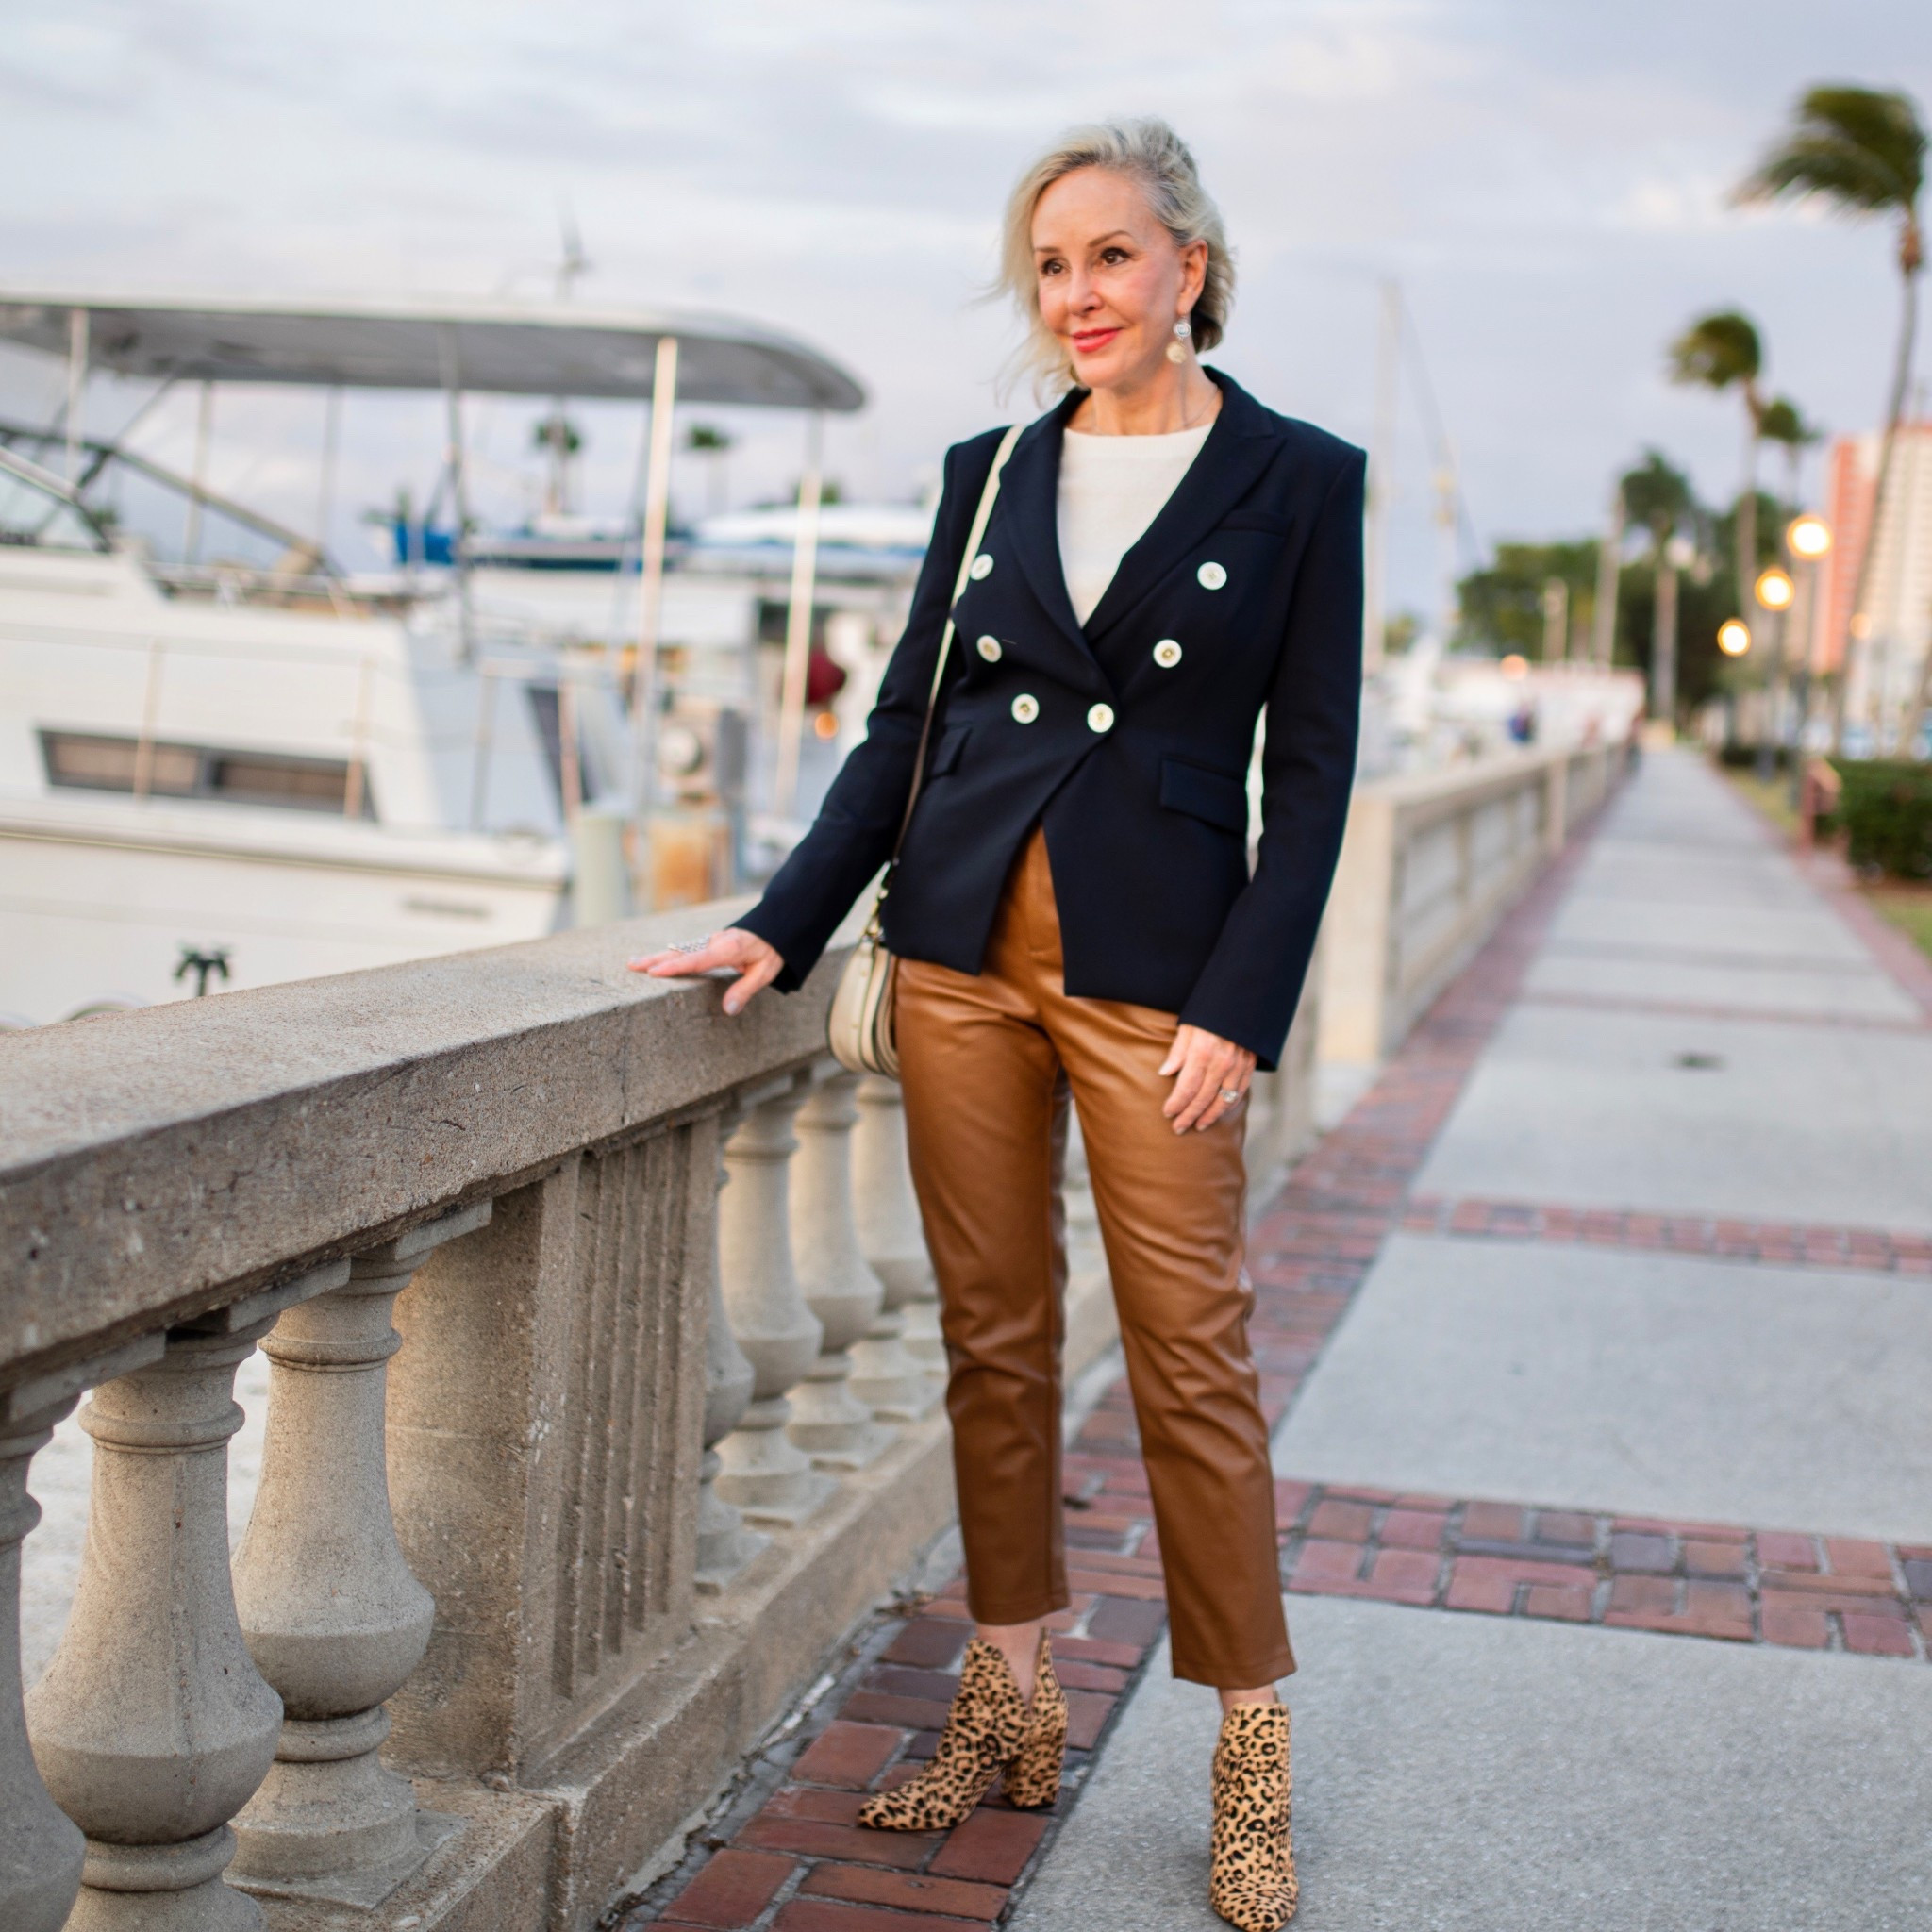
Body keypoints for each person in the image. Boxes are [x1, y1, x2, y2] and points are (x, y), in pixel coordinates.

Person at [633, 117, 1362, 1932]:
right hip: (959, 949)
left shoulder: (1300, 480)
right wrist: (778, 922)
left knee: (1194, 1353)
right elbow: (900, 730)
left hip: (1160, 980)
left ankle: (1249, 1761)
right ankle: (1013, 1696)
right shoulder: (986, 474)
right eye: (1051, 266)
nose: (1080, 295)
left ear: (1189, 267)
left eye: (1113, 256)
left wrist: (1244, 1008)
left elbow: (1320, 774)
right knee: (994, 1339)